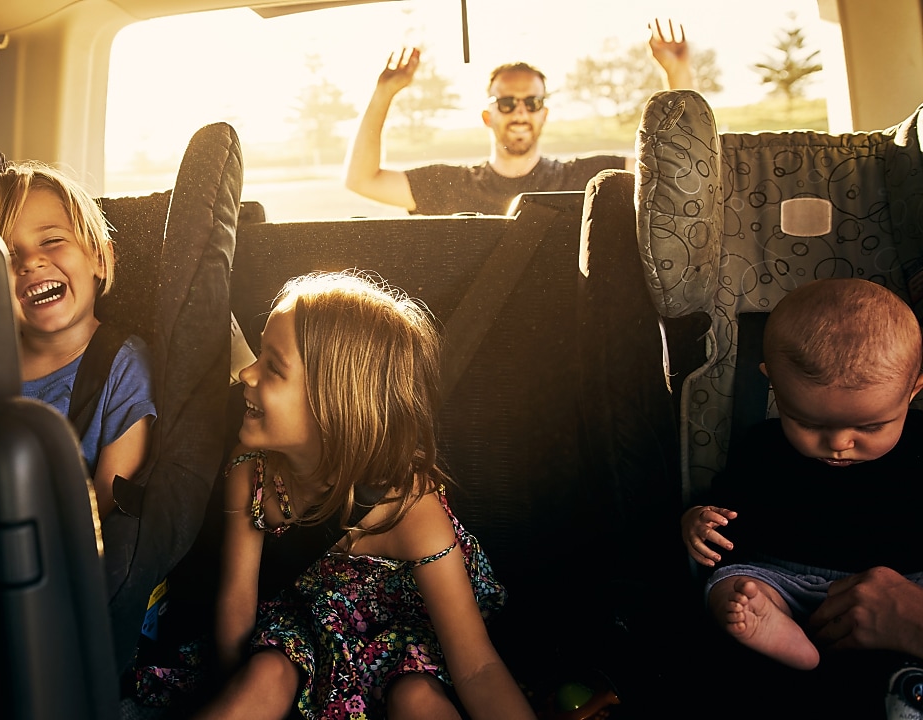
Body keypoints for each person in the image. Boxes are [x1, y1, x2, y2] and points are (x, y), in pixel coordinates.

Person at [195, 270, 535, 720]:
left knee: (414, 697)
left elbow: (477, 666)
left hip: (408, 634)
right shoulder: (251, 472)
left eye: (273, 367)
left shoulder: (410, 508)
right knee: (266, 674)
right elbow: (237, 605)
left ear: (333, 406)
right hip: (309, 627)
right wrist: (233, 689)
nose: (246, 372)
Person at [680, 278, 923, 672]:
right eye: (807, 423)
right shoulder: (763, 447)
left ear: (912, 393)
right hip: (784, 580)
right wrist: (697, 519)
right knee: (732, 586)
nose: (840, 444)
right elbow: (727, 510)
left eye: (872, 427)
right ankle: (778, 632)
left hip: (905, 586)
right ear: (773, 383)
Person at [0, 160, 156, 521]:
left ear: (99, 257)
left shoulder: (121, 365)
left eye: (51, 241)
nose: (31, 262)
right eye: (7, 254)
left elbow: (109, 499)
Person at [344, 19, 694, 215]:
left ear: (545, 114)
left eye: (532, 102)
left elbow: (681, 164)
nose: (521, 112)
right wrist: (384, 93)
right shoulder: (450, 186)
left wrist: (678, 73)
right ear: (487, 115)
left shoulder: (590, 178)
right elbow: (363, 179)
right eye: (507, 103)